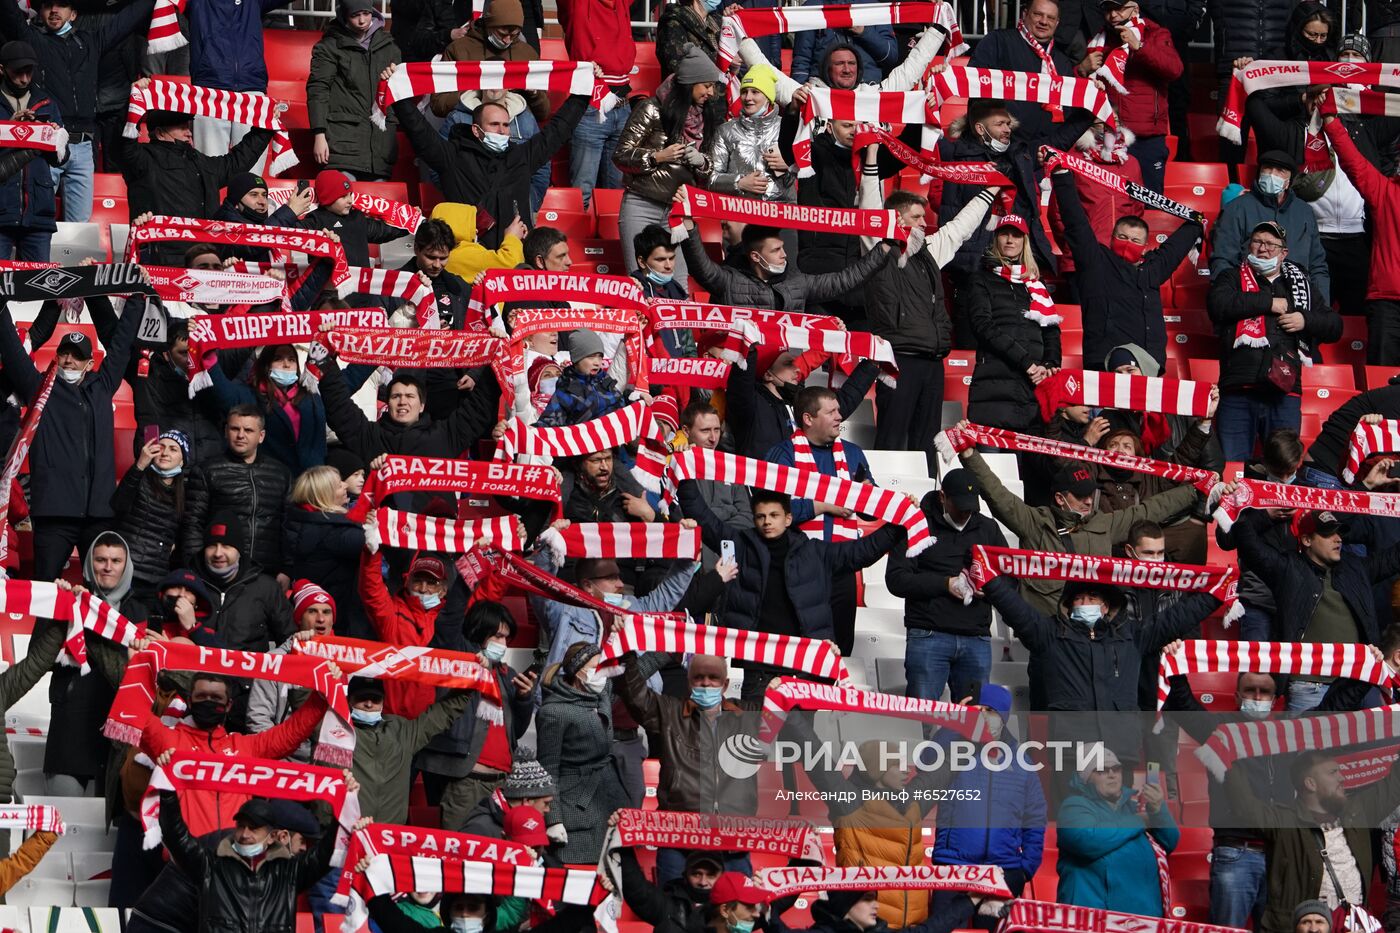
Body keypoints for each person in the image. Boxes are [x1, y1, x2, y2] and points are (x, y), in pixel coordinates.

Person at [678, 482, 904, 694]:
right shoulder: (740, 544)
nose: (767, 522)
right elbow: (703, 517)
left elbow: (863, 551)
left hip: (805, 665)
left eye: (774, 515)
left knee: (800, 736)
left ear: (788, 518)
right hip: (758, 665)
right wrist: (686, 477)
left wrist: (900, 523)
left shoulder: (815, 552)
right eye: (761, 516)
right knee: (753, 733)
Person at [954, 435, 1202, 615]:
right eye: (1080, 495)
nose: (1088, 500)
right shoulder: (1035, 522)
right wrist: (968, 454)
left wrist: (1197, 490)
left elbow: (1151, 509)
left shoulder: (1105, 523)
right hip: (1048, 629)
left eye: (1090, 493)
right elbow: (997, 494)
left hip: (1094, 629)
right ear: (1060, 499)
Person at [858, 171, 996, 461]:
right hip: (897, 360)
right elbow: (870, 208)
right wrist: (871, 160)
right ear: (898, 220)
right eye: (917, 217)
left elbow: (960, 228)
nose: (925, 222)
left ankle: (929, 504)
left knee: (927, 445)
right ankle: (886, 502)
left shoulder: (929, 253)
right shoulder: (879, 249)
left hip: (932, 362)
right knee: (892, 440)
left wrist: (992, 189)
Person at [0, 299, 138, 581]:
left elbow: (122, 344)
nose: (68, 360)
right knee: (44, 596)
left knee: (101, 600)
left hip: (98, 514)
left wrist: (136, 301)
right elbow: (13, 353)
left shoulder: (103, 386)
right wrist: (1, 310)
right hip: (54, 515)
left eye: (76, 356)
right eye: (64, 353)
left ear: (89, 363)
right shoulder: (39, 387)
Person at [391, 61, 589, 251]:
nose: (502, 131)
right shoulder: (452, 158)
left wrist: (584, 88)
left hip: (516, 260)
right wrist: (397, 92)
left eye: (505, 125)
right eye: (494, 125)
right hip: (468, 260)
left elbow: (559, 130)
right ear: (476, 130)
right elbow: (420, 132)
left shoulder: (521, 157)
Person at [0, 0, 155, 222]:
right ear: (40, 14)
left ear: (73, 14)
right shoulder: (33, 41)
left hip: (83, 147)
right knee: (36, 221)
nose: (54, 11)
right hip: (47, 142)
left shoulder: (91, 41)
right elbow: (9, 13)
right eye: (47, 6)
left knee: (80, 227)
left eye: (61, 5)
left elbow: (126, 20)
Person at [615, 653, 764, 881]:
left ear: (725, 684)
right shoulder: (669, 711)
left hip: (734, 837)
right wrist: (626, 655)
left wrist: (825, 663)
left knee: (735, 911)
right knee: (675, 912)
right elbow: (634, 695)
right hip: (678, 835)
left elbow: (798, 720)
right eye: (699, 677)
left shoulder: (748, 716)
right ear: (689, 682)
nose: (706, 683)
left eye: (713, 678)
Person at [1223, 748, 1400, 933]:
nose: (1342, 778)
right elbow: (1244, 806)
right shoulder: (1284, 821)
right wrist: (1225, 757)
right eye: (1333, 772)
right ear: (1310, 783)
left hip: (1354, 927)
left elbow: (1395, 784)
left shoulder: (1357, 810)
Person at [140, 671, 333, 838]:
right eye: (202, 696)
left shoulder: (243, 747)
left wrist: (321, 695)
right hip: (185, 858)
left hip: (234, 857)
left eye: (216, 698)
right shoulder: (169, 740)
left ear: (228, 705)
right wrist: (137, 667)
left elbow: (289, 734)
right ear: (190, 701)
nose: (208, 701)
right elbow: (136, 713)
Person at [1207, 220, 1340, 460]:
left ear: (1283, 253)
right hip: (1239, 389)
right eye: (1257, 241)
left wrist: (1305, 320)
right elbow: (1218, 306)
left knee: (1281, 470)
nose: (1263, 248)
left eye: (1271, 244)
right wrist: (1269, 303)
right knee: (1231, 469)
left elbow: (1335, 327)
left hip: (1283, 392)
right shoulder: (1231, 276)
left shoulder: (1302, 285)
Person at [1049, 168, 1203, 369]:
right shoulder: (1096, 261)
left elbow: (1175, 248)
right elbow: (1075, 222)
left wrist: (1198, 222)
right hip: (1105, 365)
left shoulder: (1152, 269)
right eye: (1122, 237)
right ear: (1112, 238)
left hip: (1149, 367)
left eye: (1135, 240)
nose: (1128, 243)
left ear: (1145, 245)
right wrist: (1062, 177)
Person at [936, 97, 1096, 284]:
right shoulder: (955, 158)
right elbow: (926, 132)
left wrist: (1091, 107)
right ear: (980, 129)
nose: (1007, 129)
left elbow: (1059, 140)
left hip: (1023, 261)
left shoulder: (1022, 153)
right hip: (976, 265)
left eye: (1008, 123)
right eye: (1000, 124)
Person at [930, 684, 1045, 930]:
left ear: (1002, 717)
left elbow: (1035, 817)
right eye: (976, 709)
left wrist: (1025, 870)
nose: (981, 715)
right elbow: (926, 762)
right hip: (953, 868)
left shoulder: (1022, 761)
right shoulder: (954, 748)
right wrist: (952, 724)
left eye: (989, 710)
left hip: (1002, 871)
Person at [887, 472, 1009, 703]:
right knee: (921, 719)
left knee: (976, 722)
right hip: (929, 634)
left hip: (976, 636)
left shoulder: (988, 528)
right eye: (960, 505)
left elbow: (1008, 578)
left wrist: (989, 586)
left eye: (971, 507)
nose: (966, 513)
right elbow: (896, 578)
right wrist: (945, 584)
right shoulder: (916, 523)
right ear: (943, 497)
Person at [417, 601, 537, 834]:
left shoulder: (507, 674)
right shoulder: (459, 663)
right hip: (465, 780)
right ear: (479, 633)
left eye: (506, 638)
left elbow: (517, 732)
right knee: (461, 853)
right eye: (497, 636)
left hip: (502, 784)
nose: (502, 644)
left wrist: (524, 698)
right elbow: (448, 624)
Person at [613, 44, 725, 279]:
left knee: (679, 283)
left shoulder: (706, 116)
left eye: (713, 87)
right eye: (706, 86)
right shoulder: (651, 108)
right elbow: (621, 155)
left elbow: (711, 168)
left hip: (678, 210)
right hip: (641, 204)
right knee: (641, 279)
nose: (711, 93)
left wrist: (701, 161)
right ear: (689, 84)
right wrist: (656, 157)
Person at [157, 794, 338, 933]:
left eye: (253, 828)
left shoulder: (289, 873)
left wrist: (344, 805)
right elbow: (176, 837)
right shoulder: (210, 867)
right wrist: (167, 794)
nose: (244, 834)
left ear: (271, 837)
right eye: (241, 826)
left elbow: (327, 852)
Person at [116, 79, 277, 222]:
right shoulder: (141, 159)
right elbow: (122, 139)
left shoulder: (201, 161)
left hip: (204, 250)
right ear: (159, 133)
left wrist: (265, 126)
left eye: (188, 127)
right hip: (163, 251)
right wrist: (131, 101)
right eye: (181, 128)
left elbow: (238, 161)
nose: (189, 132)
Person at [964, 215, 1063, 432]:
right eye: (1004, 234)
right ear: (996, 239)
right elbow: (983, 326)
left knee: (1025, 464)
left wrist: (1049, 365)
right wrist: (1026, 361)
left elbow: (1051, 330)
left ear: (1024, 242)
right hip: (995, 385)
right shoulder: (981, 279)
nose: (1010, 240)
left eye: (1016, 235)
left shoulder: (1035, 284)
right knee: (992, 462)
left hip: (1033, 387)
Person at [536, 641, 630, 864]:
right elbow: (548, 770)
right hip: (575, 806)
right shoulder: (554, 712)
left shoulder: (600, 693)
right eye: (597, 668)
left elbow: (638, 672)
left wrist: (669, 646)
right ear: (578, 672)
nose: (603, 674)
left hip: (608, 800)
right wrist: (553, 819)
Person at [1057, 748, 1179, 916]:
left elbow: (1170, 842)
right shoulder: (1074, 806)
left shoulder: (1132, 807)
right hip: (1093, 917)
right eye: (1102, 771)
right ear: (1086, 777)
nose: (1112, 775)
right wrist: (1140, 821)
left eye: (1116, 769)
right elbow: (1085, 840)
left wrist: (1159, 811)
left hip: (1142, 918)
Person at [680, 220, 896, 313]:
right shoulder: (730, 279)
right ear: (755, 256)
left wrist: (884, 249)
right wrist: (689, 226)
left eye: (782, 248)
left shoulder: (797, 281)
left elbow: (843, 281)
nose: (784, 255)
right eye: (775, 250)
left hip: (784, 372)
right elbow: (701, 267)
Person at [1323, 108, 1400, 364]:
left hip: (1385, 300)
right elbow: (1352, 162)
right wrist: (1331, 122)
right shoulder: (1386, 191)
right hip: (1387, 304)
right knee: (1381, 381)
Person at [317, 361, 498, 467]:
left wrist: (496, 358)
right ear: (388, 403)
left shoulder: (443, 436)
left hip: (432, 527)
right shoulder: (371, 437)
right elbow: (338, 407)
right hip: (384, 527)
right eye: (396, 396)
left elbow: (479, 408)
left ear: (422, 405)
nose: (403, 401)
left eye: (410, 396)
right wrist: (324, 357)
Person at [180, 405, 293, 575]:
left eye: (248, 430)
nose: (240, 435)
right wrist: (197, 568)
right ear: (226, 431)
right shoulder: (207, 471)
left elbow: (289, 525)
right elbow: (192, 525)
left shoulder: (281, 473)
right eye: (235, 429)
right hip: (220, 571)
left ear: (261, 436)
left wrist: (287, 570)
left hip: (268, 573)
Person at [1081, 0, 1182, 191]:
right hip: (1108, 136)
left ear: (1135, 8)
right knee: (1111, 202)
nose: (1113, 15)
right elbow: (1082, 89)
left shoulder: (1155, 34)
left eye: (1118, 8)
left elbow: (1175, 70)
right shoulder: (1099, 40)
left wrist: (1140, 46)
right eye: (1108, 10)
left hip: (1146, 138)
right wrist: (1082, 70)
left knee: (1150, 204)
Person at [1210, 151, 1331, 307]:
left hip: (1298, 301)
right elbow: (1223, 260)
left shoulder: (1305, 212)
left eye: (1280, 171)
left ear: (1289, 181)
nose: (1272, 174)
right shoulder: (1237, 208)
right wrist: (1230, 303)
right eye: (1268, 168)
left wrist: (1321, 310)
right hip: (1251, 300)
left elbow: (1317, 265)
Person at [306, 0, 401, 181]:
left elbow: (398, 94)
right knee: (342, 202)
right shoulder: (329, 47)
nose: (362, 20)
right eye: (355, 15)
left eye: (366, 13)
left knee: (377, 206)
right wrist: (319, 134)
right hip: (343, 145)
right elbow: (318, 89)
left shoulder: (390, 48)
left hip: (380, 147)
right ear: (344, 16)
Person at [555, 0, 633, 207]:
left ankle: (611, 240)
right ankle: (575, 238)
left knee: (616, 195)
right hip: (591, 104)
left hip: (622, 106)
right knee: (582, 191)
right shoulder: (576, 5)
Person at [359, 544, 449, 717]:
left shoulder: (446, 621)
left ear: (443, 590)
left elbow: (478, 595)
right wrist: (372, 552)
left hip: (427, 725)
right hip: (390, 719)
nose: (423, 589)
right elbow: (371, 591)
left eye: (431, 583)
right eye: (417, 581)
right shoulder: (393, 614)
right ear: (407, 582)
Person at [207, 346, 327, 476]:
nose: (286, 365)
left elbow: (340, 390)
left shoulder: (311, 394)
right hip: (273, 480)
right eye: (278, 359)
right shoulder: (252, 395)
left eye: (291, 360)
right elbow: (222, 393)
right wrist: (207, 356)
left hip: (315, 482)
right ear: (266, 365)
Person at [967, 0, 1076, 140]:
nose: (1044, 21)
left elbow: (1068, 111)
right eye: (1038, 14)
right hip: (1000, 144)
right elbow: (975, 83)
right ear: (1025, 14)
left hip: (1043, 148)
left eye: (1050, 18)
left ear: (1057, 23)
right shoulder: (998, 41)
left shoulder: (1063, 62)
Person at [429, 0, 549, 125]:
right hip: (469, 123)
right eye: (502, 33)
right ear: (488, 25)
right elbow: (438, 105)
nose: (507, 40)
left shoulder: (527, 54)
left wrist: (534, 93)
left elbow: (544, 113)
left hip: (513, 126)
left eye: (514, 35)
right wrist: (475, 89)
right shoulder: (459, 50)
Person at [285, 465, 366, 639]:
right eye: (338, 485)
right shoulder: (334, 532)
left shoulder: (302, 521)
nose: (345, 485)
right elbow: (374, 542)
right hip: (339, 622)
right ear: (325, 495)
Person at [709, 65, 795, 225]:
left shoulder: (788, 128)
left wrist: (790, 165)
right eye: (744, 91)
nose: (748, 97)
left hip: (781, 215)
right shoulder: (725, 130)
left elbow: (809, 175)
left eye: (755, 92)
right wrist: (739, 182)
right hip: (739, 217)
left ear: (768, 97)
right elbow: (711, 178)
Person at [112, 430, 190, 603]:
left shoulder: (186, 493)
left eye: (173, 449)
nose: (165, 453)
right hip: (126, 572)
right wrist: (140, 465)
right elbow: (117, 505)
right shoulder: (139, 477)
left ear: (183, 460)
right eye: (161, 447)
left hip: (155, 579)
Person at [0, 42, 59, 260]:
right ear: (2, 69)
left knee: (38, 288)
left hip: (38, 214)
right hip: (2, 211)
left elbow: (62, 159)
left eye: (29, 71)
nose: (25, 78)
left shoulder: (47, 103)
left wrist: (51, 136)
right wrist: (9, 128)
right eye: (18, 72)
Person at [303, 169, 409, 267]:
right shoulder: (315, 220)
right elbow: (290, 233)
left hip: (360, 283)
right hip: (328, 284)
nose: (350, 200)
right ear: (327, 197)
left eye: (350, 195)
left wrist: (409, 223)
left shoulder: (357, 216)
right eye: (344, 196)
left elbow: (381, 231)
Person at [791, 0, 899, 86]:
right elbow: (802, 59)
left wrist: (864, 33)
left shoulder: (875, 8)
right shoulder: (811, 8)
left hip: (866, 90)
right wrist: (799, 92)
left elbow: (890, 57)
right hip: (823, 91)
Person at [213, 173, 314, 263]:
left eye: (264, 195)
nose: (262, 201)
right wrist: (289, 211)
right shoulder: (223, 222)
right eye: (254, 195)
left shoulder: (263, 219)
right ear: (236, 201)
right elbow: (250, 245)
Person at [536, 329, 628, 428]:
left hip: (615, 440)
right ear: (577, 359)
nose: (597, 362)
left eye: (600, 356)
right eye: (591, 357)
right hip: (586, 441)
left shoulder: (605, 380)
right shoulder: (566, 390)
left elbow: (622, 406)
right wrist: (530, 432)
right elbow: (548, 423)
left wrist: (637, 400)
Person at [431, 200, 528, 283]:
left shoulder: (448, 252)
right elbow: (510, 264)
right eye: (470, 225)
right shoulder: (461, 255)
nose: (476, 230)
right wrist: (512, 237)